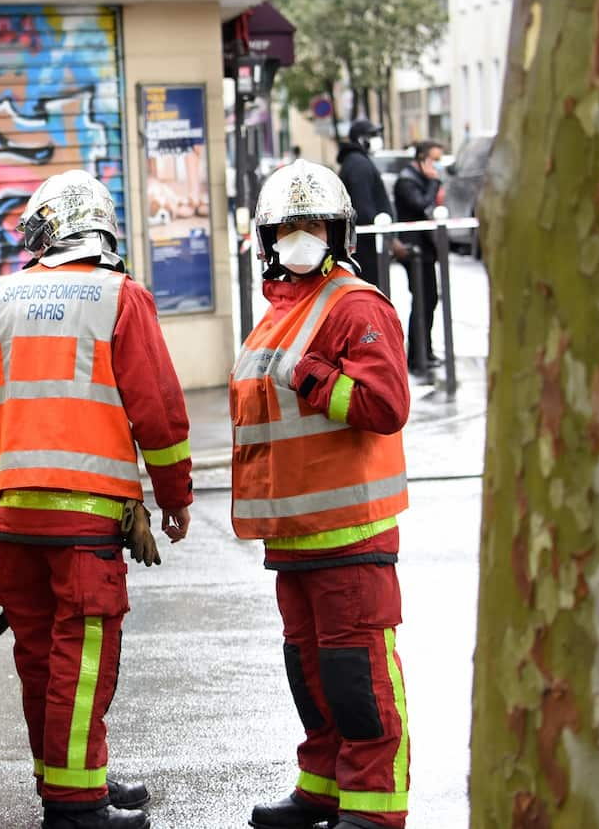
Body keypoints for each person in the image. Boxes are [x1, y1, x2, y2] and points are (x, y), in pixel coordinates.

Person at [0, 170, 193, 829]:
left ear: (40, 231)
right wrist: (173, 496)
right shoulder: (121, 296)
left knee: (41, 663)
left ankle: (74, 776)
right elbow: (160, 411)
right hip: (85, 521)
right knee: (82, 663)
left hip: (16, 520)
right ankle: (75, 805)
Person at [230, 160, 412, 829]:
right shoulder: (281, 311)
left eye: (312, 225)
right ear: (269, 237)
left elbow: (385, 403)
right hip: (295, 533)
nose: (299, 236)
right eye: (288, 226)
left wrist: (314, 377)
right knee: (310, 672)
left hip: (350, 531)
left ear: (338, 231)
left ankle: (374, 806)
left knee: (356, 673)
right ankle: (323, 788)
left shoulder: (354, 304)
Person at [393, 139, 446, 370]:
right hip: (414, 251)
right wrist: (433, 182)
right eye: (435, 160)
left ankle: (425, 350)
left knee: (430, 298)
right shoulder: (407, 181)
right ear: (423, 158)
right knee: (422, 299)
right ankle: (417, 354)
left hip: (425, 250)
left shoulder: (417, 179)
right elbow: (423, 206)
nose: (437, 166)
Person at [336, 119, 394, 288]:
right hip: (368, 242)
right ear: (361, 139)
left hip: (366, 240)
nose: (378, 139)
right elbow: (363, 206)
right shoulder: (358, 164)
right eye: (373, 135)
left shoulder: (356, 161)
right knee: (373, 285)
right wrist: (379, 235)